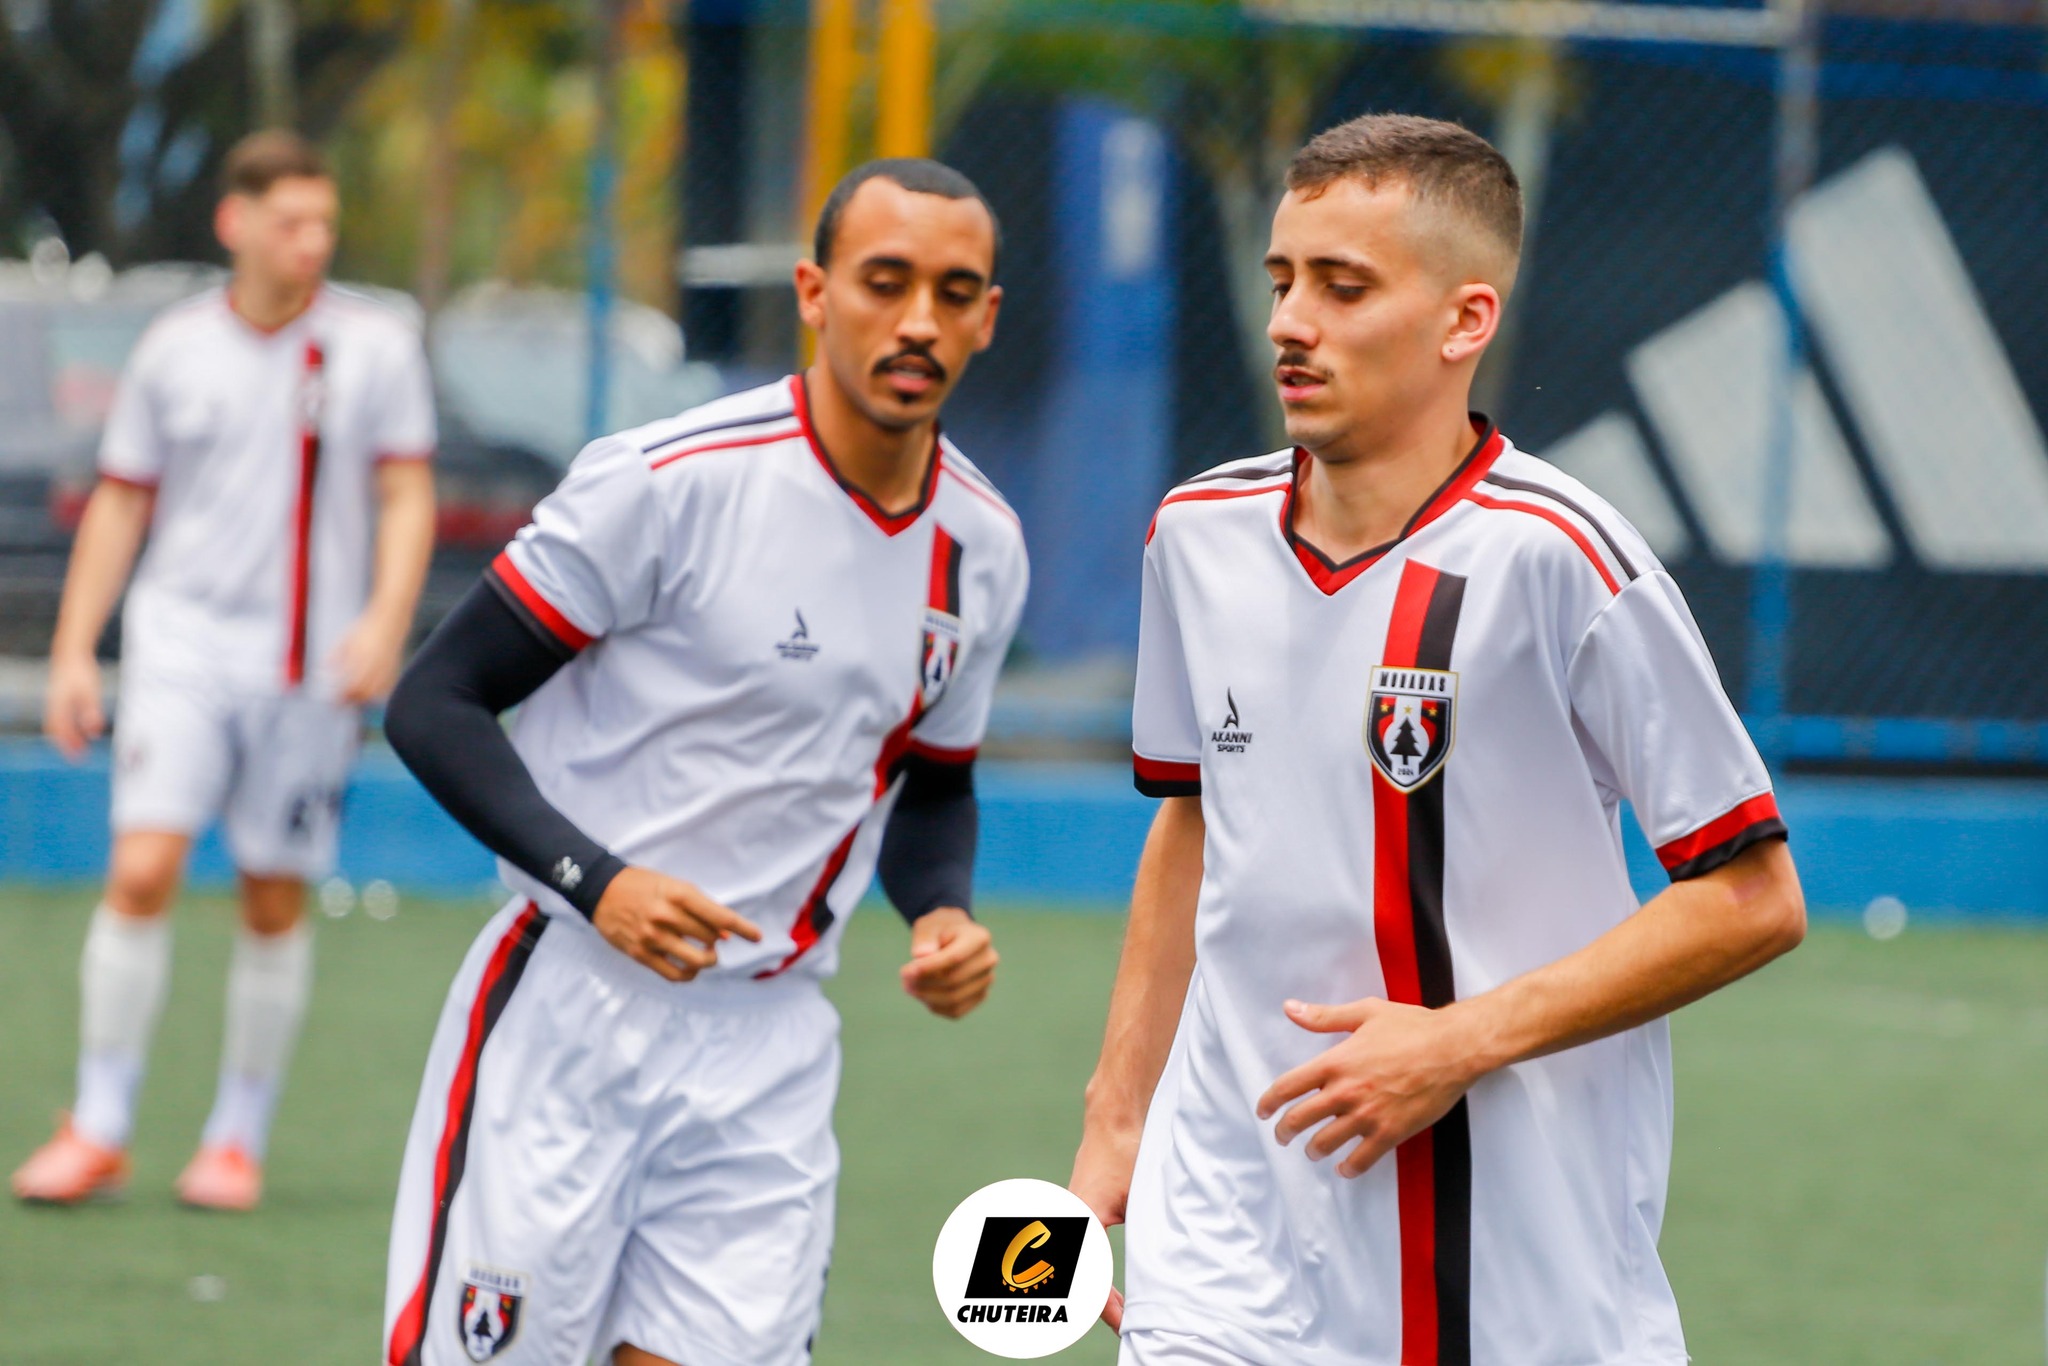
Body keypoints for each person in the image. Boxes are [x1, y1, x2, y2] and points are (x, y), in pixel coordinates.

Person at [1068, 114, 1807, 1365]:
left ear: (1465, 320)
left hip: (1513, 1265)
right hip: (1226, 1241)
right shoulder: (1193, 534)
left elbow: (1752, 897)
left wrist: (1458, 1038)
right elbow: (1193, 820)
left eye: (1342, 286)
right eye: (1282, 280)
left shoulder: (1563, 560)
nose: (1290, 322)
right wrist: (1114, 1118)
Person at [377, 157, 1027, 1366]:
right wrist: (598, 882)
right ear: (815, 292)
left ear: (987, 316)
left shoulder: (983, 547)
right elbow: (435, 703)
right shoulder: (666, 482)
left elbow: (933, 783)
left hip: (770, 1050)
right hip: (570, 1007)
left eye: (952, 293)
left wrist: (940, 910)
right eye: (884, 282)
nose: (917, 322)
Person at [13, 130, 437, 1212]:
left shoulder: (376, 347)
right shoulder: (174, 349)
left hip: (310, 665)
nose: (312, 243)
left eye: (324, 224)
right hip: (183, 648)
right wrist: (75, 649)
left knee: (271, 891)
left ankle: (235, 1139)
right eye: (290, 222)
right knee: (142, 868)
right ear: (234, 222)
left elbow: (405, 495)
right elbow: (121, 501)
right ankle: (99, 1123)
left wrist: (385, 621)